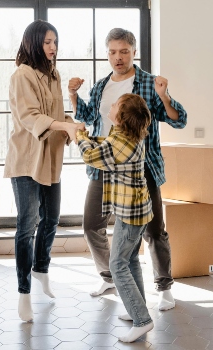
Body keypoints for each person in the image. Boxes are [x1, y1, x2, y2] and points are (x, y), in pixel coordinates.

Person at [69, 28, 188, 311]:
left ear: (134, 52)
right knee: (91, 225)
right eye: (112, 52)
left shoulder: (149, 84)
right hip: (106, 167)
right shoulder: (101, 86)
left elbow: (179, 120)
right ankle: (110, 275)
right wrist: (73, 94)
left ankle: (164, 286)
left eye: (123, 51)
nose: (118, 57)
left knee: (154, 230)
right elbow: (86, 116)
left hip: (141, 169)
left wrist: (165, 97)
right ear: (107, 54)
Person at [5, 19, 83, 322]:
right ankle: (23, 292)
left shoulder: (53, 75)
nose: (53, 47)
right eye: (48, 42)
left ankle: (41, 270)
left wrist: (72, 123)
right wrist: (63, 125)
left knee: (51, 219)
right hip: (26, 160)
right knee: (27, 225)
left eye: (55, 42)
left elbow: (53, 114)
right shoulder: (21, 75)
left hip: (50, 159)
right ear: (33, 42)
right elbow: (29, 116)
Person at [77, 93, 154, 343]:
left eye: (114, 106)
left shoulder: (121, 143)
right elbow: (105, 142)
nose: (110, 107)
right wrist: (88, 136)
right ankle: (137, 311)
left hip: (131, 214)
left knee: (117, 265)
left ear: (120, 118)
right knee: (130, 260)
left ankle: (142, 320)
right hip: (136, 210)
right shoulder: (126, 135)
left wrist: (78, 137)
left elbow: (92, 156)